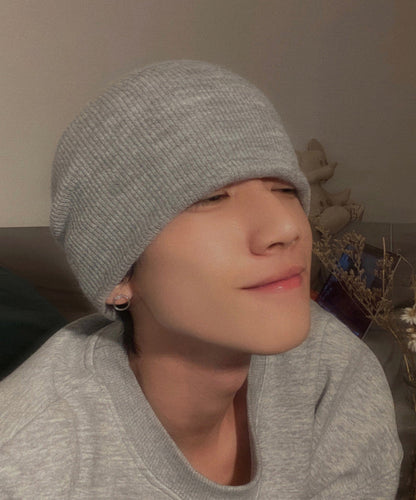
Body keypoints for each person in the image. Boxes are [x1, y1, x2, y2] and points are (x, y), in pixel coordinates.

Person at [0, 60, 402, 498]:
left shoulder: (331, 371)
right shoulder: (27, 463)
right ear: (118, 275)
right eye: (212, 197)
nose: (287, 228)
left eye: (285, 189)